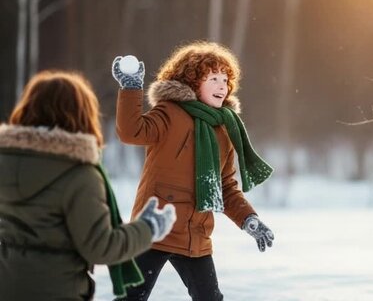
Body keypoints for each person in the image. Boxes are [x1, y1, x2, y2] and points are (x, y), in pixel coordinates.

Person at [112, 41, 274, 301]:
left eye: (225, 79)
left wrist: (248, 219)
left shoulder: (223, 128)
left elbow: (225, 187)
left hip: (195, 235)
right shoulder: (169, 112)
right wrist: (131, 87)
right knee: (131, 298)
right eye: (213, 78)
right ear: (192, 80)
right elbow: (132, 132)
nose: (222, 86)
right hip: (156, 228)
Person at [0, 71, 177, 301]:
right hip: (58, 291)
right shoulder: (79, 175)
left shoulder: (5, 162)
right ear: (81, 113)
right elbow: (101, 246)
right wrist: (148, 228)